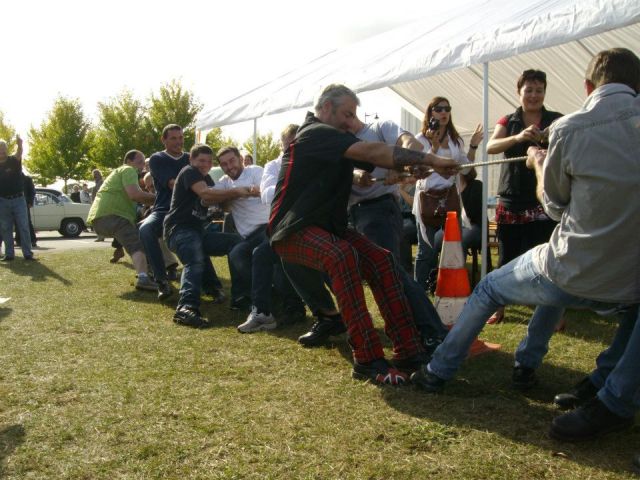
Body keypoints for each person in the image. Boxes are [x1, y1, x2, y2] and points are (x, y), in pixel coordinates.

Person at [412, 48, 640, 442]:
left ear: (587, 86)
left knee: (488, 288)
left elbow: (552, 204)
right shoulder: (522, 123)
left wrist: (537, 163)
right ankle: (566, 375)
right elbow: (495, 148)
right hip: (630, 277)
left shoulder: (569, 127)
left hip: (574, 263)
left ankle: (437, 372)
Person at [268, 84, 459, 385]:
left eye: (353, 115)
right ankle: (368, 360)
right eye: (347, 114)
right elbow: (374, 150)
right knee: (341, 256)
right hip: (292, 229)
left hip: (328, 226)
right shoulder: (314, 132)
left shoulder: (335, 139)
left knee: (382, 261)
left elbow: (368, 162)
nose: (350, 121)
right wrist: (432, 160)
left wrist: (408, 166)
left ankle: (410, 350)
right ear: (326, 108)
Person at [348, 114, 449, 354]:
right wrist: (355, 175)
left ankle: (432, 332)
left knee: (391, 273)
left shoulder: (380, 127)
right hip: (356, 213)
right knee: (386, 273)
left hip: (378, 210)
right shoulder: (339, 139)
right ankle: (421, 331)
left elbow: (409, 143)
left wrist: (402, 164)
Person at [485, 70, 563, 324]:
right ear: (519, 92)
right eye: (528, 90)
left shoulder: (556, 119)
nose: (533, 95)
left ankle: (549, 311)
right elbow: (490, 147)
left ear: (544, 92)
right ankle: (498, 306)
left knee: (545, 256)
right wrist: (518, 137)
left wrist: (547, 138)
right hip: (512, 198)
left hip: (544, 197)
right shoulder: (508, 120)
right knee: (507, 256)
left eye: (538, 90)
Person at [262, 124, 341, 342]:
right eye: (289, 145)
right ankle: (321, 314)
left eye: (298, 144)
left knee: (330, 268)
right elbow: (267, 194)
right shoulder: (273, 165)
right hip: (287, 227)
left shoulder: (314, 161)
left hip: (314, 222)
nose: (293, 149)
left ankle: (346, 315)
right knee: (289, 263)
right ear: (282, 145)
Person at [164, 144, 252, 328]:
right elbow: (206, 194)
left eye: (209, 161)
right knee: (195, 259)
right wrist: (237, 191)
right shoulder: (189, 171)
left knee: (237, 243)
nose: (205, 165)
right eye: (201, 160)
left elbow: (221, 204)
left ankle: (241, 296)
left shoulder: (209, 179)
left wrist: (247, 195)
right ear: (191, 160)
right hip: (178, 230)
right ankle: (186, 308)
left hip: (198, 232)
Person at [413, 97, 483, 292]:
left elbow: (467, 170)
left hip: (450, 198)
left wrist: (473, 146)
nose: (444, 112)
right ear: (430, 113)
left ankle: (453, 290)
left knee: (455, 247)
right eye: (439, 109)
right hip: (427, 199)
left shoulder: (455, 140)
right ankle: (419, 293)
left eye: (447, 109)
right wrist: (433, 146)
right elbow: (418, 170)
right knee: (425, 251)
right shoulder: (420, 139)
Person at [214, 146, 279, 332]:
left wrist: (248, 191)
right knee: (238, 252)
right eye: (224, 164)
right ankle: (268, 298)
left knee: (238, 252)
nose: (229, 166)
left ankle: (263, 307)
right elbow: (208, 197)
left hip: (268, 227)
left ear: (241, 159)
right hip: (248, 235)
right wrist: (235, 193)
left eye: (232, 161)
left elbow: (264, 190)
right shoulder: (224, 182)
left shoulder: (255, 171)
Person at [86, 150, 157, 291]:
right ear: (129, 161)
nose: (143, 165)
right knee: (137, 245)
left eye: (144, 162)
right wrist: (159, 199)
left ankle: (148, 272)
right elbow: (134, 194)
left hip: (99, 219)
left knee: (137, 239)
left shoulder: (117, 173)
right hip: (114, 216)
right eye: (140, 162)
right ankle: (144, 278)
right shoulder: (128, 170)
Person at [139, 124, 190, 300]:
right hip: (164, 210)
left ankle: (212, 285)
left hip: (189, 210)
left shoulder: (191, 158)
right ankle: (161, 280)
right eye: (173, 138)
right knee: (145, 229)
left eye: (181, 137)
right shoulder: (157, 158)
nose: (179, 142)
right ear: (164, 140)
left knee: (199, 238)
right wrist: (198, 188)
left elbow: (208, 183)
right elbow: (172, 184)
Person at [0, 135, 33, 261]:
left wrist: (20, 145)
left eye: (3, 151)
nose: (2, 154)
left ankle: (27, 253)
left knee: (23, 226)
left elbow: (19, 153)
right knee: (5, 228)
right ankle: (9, 254)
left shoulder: (13, 160)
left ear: (6, 150)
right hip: (2, 201)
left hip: (19, 199)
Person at [15, 173, 37, 248]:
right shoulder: (12, 178)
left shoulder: (27, 179)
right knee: (16, 222)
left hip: (24, 203)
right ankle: (19, 240)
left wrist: (30, 202)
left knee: (27, 221)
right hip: (14, 202)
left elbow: (32, 191)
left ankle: (33, 240)